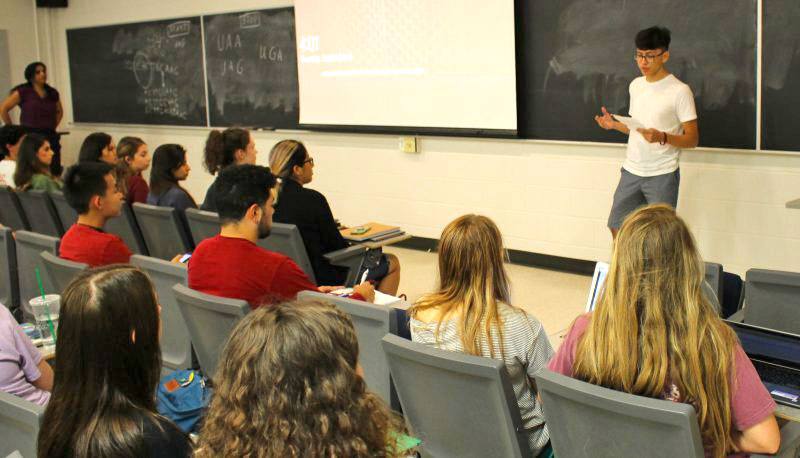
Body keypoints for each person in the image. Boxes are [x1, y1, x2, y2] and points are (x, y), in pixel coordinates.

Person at [547, 204, 780, 457]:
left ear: (620, 268)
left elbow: (548, 400)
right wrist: (719, 440)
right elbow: (766, 441)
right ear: (688, 267)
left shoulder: (586, 332)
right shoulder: (713, 342)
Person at [408, 214, 554, 457]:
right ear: (496, 261)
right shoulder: (521, 325)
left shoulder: (419, 315)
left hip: (447, 442)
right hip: (519, 447)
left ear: (444, 260)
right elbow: (553, 392)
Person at [196, 300, 411, 457]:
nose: (361, 371)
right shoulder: (357, 446)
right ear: (331, 388)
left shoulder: (218, 447)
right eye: (355, 362)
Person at [37, 265, 192, 458]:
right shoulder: (154, 439)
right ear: (135, 336)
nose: (159, 310)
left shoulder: (54, 422)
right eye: (154, 308)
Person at [188, 164, 375, 308]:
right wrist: (360, 297)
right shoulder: (275, 268)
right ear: (255, 213)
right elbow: (327, 317)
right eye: (271, 205)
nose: (272, 212)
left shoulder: (200, 254)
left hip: (227, 356)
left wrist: (310, 292)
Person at [594, 26, 699, 238]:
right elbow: (637, 128)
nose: (643, 62)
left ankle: (657, 272)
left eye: (650, 56)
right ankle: (627, 270)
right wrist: (614, 124)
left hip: (662, 173)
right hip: (632, 170)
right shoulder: (636, 85)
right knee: (617, 226)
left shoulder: (680, 91)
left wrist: (663, 137)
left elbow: (692, 139)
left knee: (660, 235)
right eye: (639, 56)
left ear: (665, 56)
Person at [269, 139, 400, 294]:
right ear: (297, 169)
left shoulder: (266, 200)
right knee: (391, 262)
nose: (313, 165)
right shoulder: (313, 199)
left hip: (286, 277)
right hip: (325, 278)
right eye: (309, 161)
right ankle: (376, 315)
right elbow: (338, 248)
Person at [60, 162, 132, 267]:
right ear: (98, 202)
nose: (121, 195)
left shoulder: (68, 238)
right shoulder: (109, 246)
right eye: (115, 191)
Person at [0, 62, 64, 176]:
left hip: (49, 133)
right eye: (38, 72)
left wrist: (52, 125)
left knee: (54, 166)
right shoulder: (24, 91)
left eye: (44, 71)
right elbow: (3, 108)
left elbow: (59, 112)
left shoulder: (52, 92)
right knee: (33, 167)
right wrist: (11, 127)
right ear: (31, 75)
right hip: (30, 134)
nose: (42, 74)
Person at [0, 303, 53, 405]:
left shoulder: (2, 314)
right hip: (40, 413)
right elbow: (46, 380)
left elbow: (44, 378)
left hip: (44, 410)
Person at [200, 127, 257, 212]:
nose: (256, 151)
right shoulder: (249, 190)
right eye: (252, 147)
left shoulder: (215, 188)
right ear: (240, 154)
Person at [147, 143, 197, 240]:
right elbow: (196, 230)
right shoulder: (178, 197)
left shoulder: (151, 195)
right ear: (171, 167)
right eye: (183, 164)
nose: (188, 168)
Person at [116, 136, 150, 203]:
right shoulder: (138, 183)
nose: (149, 158)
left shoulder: (113, 177)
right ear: (128, 159)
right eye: (143, 155)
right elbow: (142, 212)